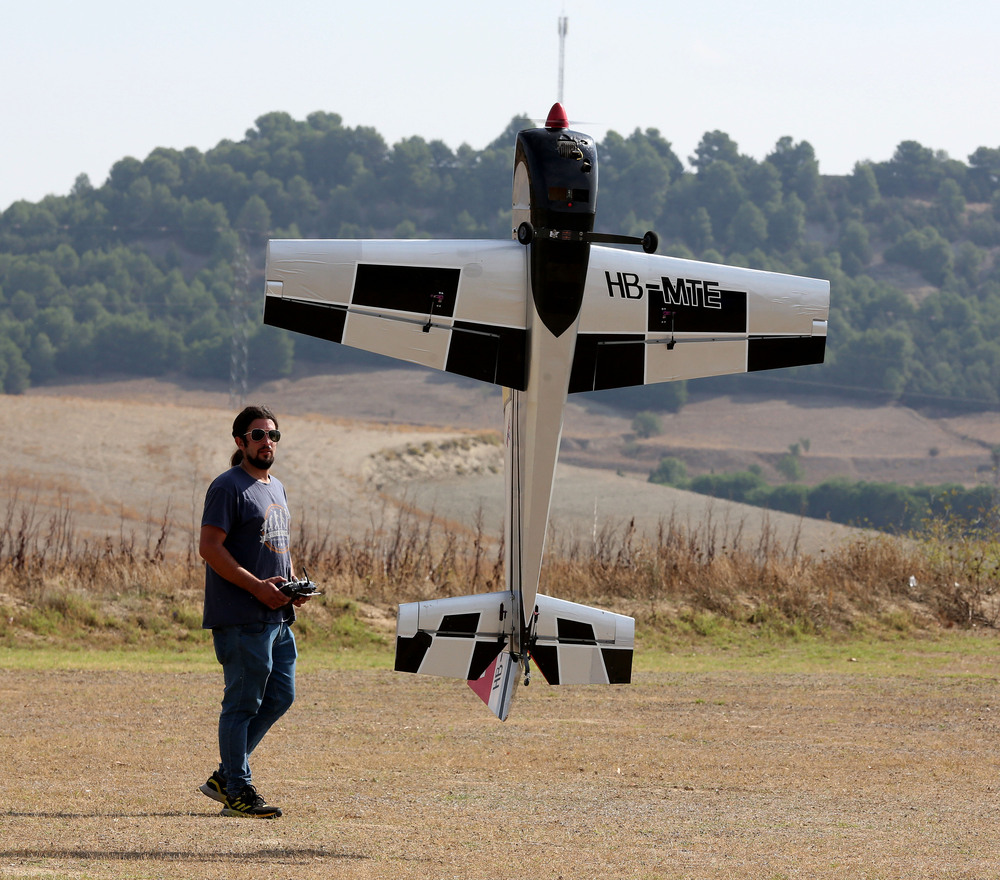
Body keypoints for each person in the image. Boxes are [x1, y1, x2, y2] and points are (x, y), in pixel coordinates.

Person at [197, 404, 310, 819]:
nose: (268, 442)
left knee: (281, 695)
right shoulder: (229, 487)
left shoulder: (274, 486)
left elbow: (279, 547)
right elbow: (210, 548)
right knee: (242, 704)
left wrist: (291, 585)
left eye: (273, 435)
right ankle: (238, 792)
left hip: (277, 617)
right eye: (259, 435)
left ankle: (227, 776)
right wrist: (257, 589)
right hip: (242, 616)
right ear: (240, 441)